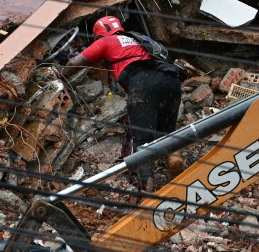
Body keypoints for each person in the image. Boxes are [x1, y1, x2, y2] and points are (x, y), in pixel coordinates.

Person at [61, 15, 183, 190]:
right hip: (171, 79)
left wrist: (60, 75)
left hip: (143, 83)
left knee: (142, 141)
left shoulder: (106, 41)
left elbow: (75, 62)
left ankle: (148, 192)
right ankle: (175, 158)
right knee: (168, 130)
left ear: (99, 34)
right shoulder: (136, 38)